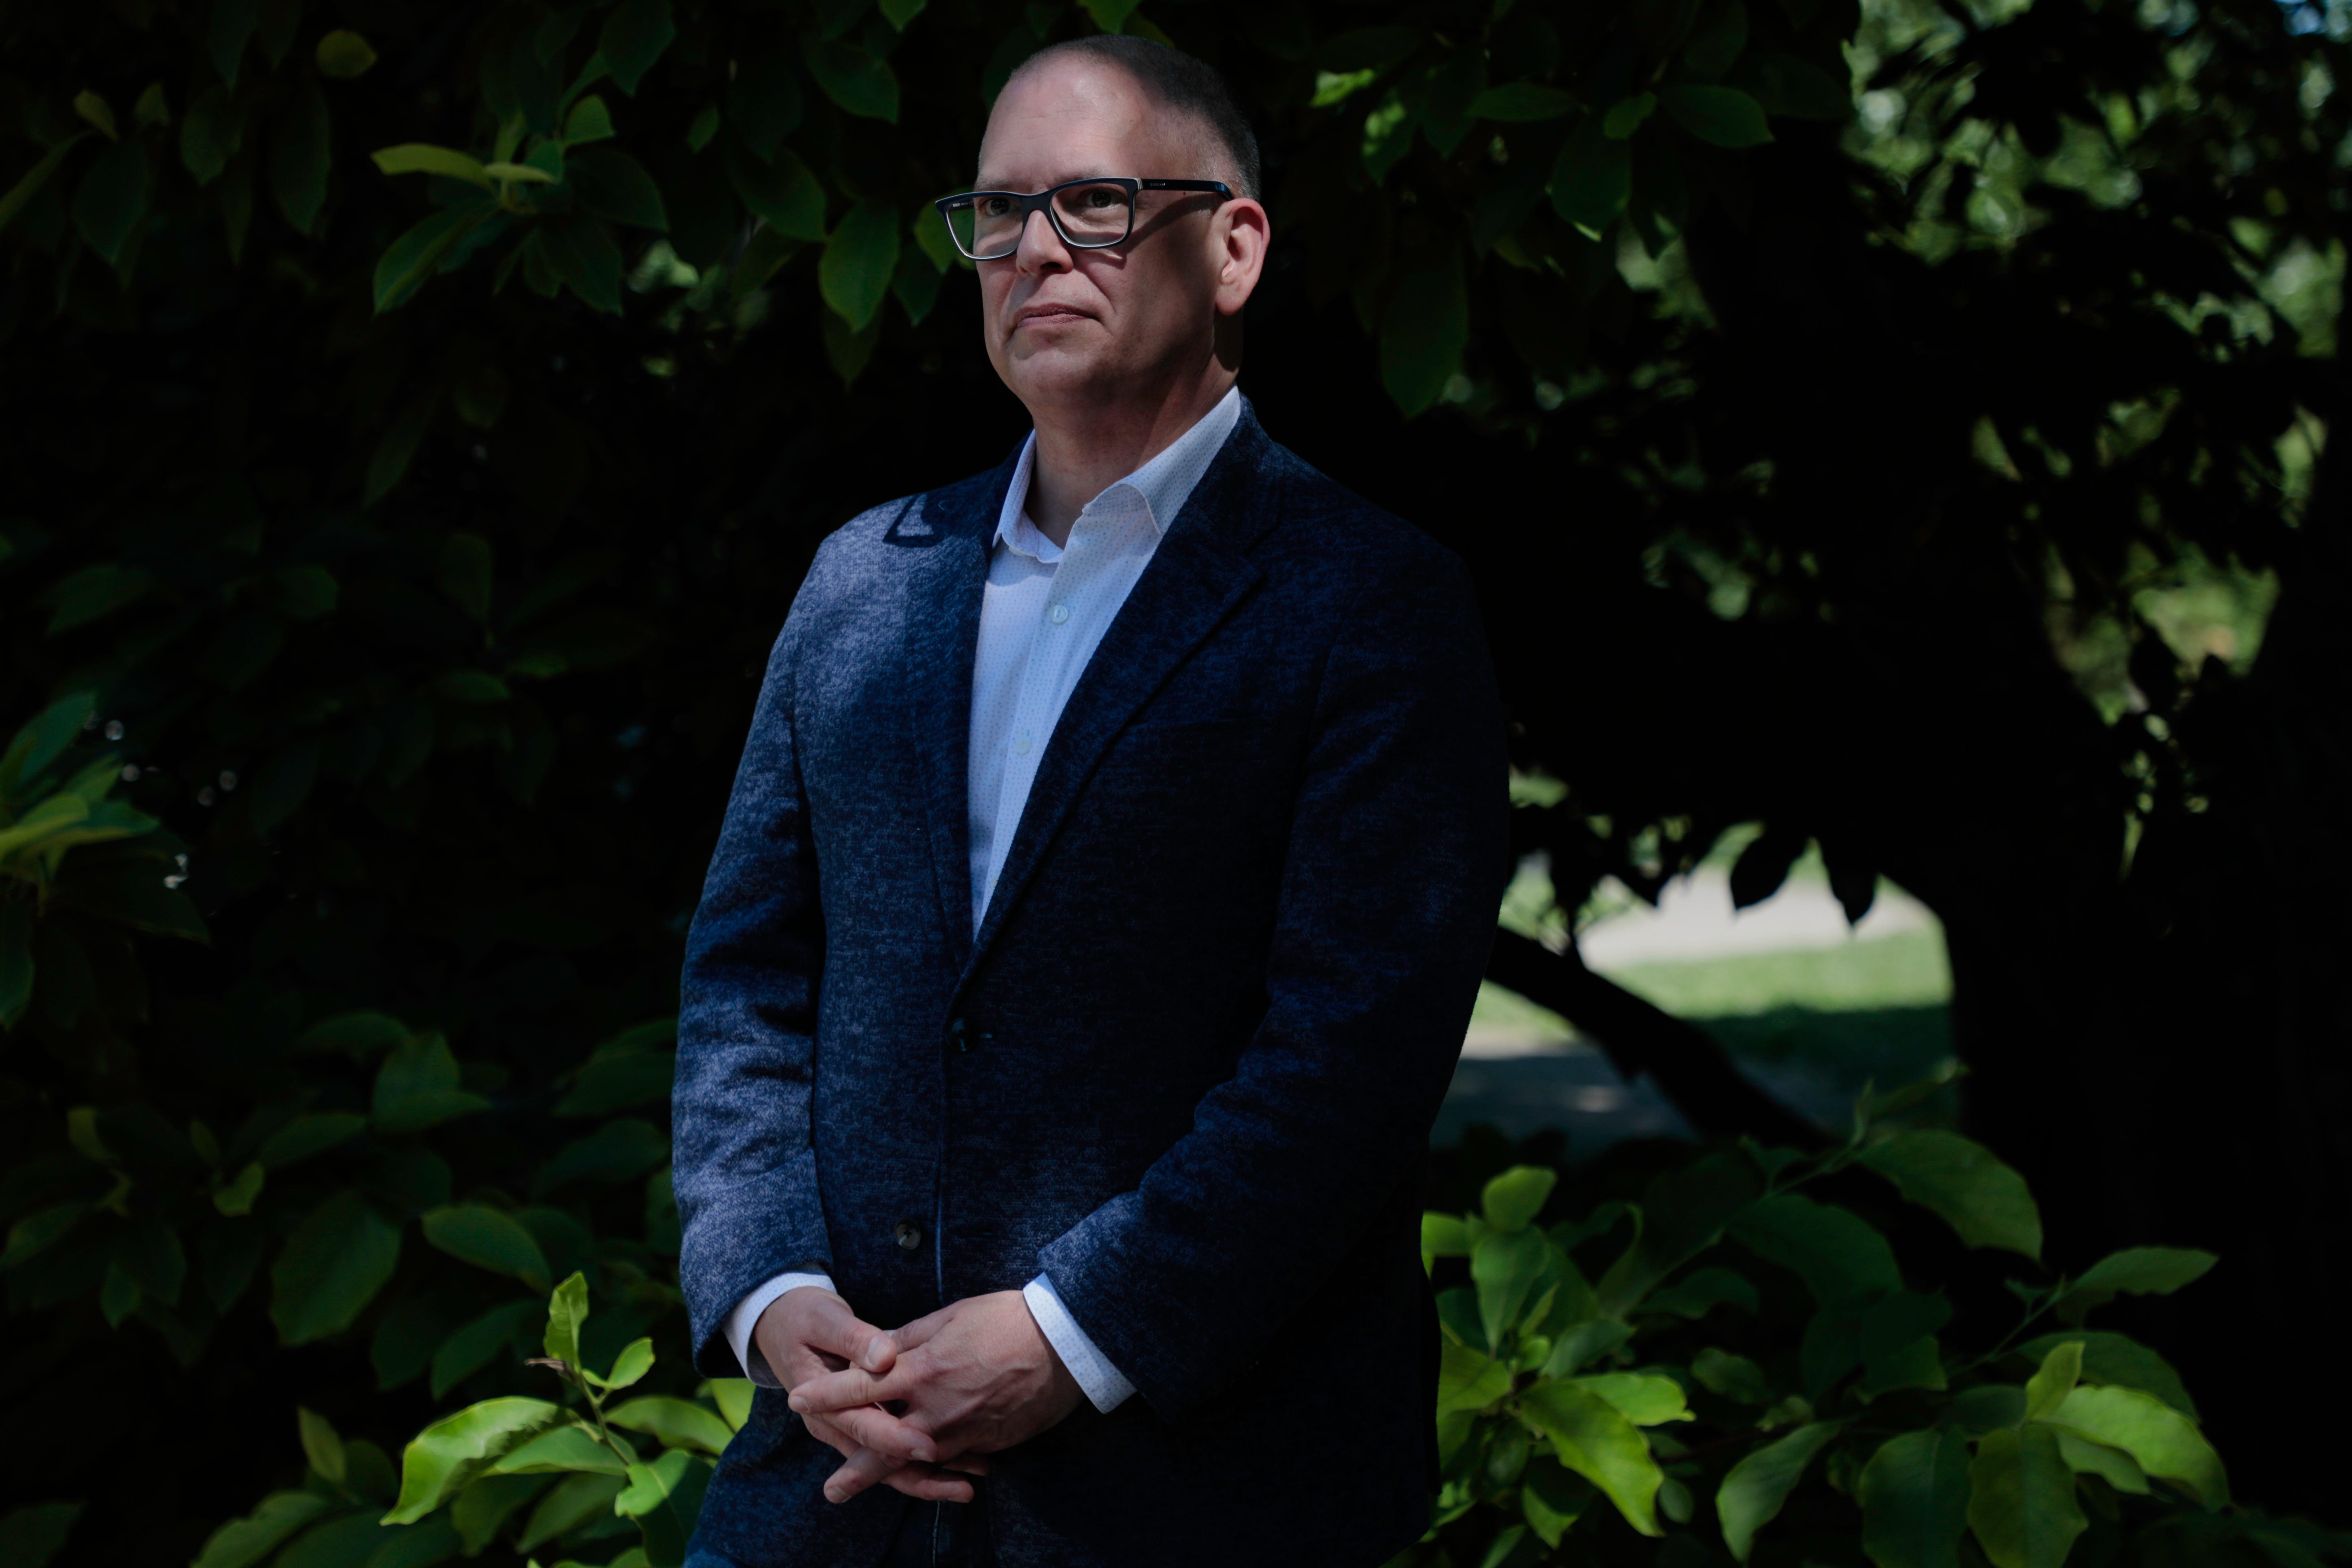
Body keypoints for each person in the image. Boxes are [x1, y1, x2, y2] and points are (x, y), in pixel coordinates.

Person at [672, 33, 1511, 1568]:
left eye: (1098, 202)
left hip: (1202, 1500)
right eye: (998, 213)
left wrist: (1072, 1333)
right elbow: (747, 980)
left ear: (1235, 245)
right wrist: (769, 1299)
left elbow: (1353, 1057)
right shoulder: (863, 583)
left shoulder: (1372, 604)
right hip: (827, 1490)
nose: (1035, 248)